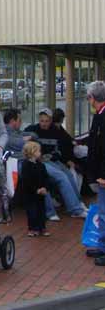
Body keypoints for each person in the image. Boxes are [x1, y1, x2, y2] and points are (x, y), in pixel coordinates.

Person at [25, 108, 87, 218]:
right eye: (42, 121)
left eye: (46, 121)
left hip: (52, 160)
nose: (44, 123)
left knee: (68, 174)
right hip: (40, 161)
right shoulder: (32, 130)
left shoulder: (56, 131)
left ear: (51, 121)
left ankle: (78, 202)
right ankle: (75, 209)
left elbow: (60, 150)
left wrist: (53, 156)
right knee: (62, 176)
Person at [3, 109, 60, 221]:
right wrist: (26, 141)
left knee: (55, 174)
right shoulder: (5, 134)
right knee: (38, 178)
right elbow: (21, 144)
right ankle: (49, 211)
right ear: (12, 121)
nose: (21, 122)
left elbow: (34, 135)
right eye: (19, 120)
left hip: (28, 160)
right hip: (17, 163)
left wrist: (27, 139)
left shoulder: (17, 132)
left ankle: (52, 208)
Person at [84, 81, 105, 265]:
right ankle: (102, 245)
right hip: (99, 172)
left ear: (92, 98)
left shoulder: (103, 117)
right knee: (102, 209)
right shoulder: (100, 115)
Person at [21, 141, 50, 237]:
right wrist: (35, 190)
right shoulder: (25, 165)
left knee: (42, 210)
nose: (40, 153)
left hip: (41, 192)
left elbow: (46, 177)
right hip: (30, 194)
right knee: (32, 212)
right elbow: (26, 181)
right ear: (32, 152)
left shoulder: (41, 165)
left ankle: (42, 227)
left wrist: (45, 187)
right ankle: (32, 228)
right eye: (38, 151)